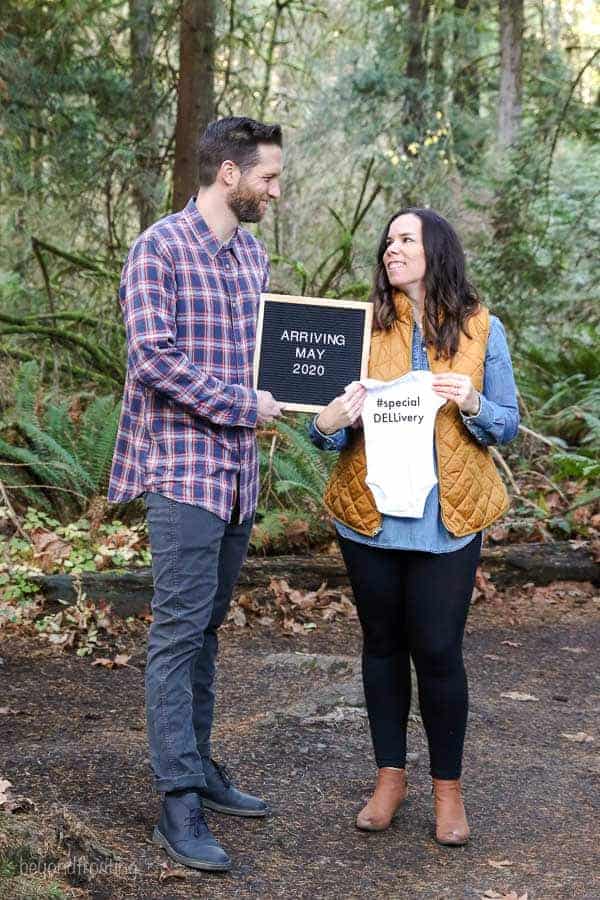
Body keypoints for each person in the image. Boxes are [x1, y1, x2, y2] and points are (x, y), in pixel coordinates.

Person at [309, 207, 519, 846]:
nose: (392, 249)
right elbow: (319, 431)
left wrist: (473, 402)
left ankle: (447, 793)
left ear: (437, 250)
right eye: (388, 241)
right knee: (380, 646)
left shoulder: (483, 328)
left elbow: (506, 422)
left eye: (406, 239)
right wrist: (330, 421)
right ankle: (389, 779)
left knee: (437, 651)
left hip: (446, 520)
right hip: (368, 518)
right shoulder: (361, 328)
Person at [107, 116, 284, 872]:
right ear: (229, 176)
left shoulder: (253, 257)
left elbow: (266, 359)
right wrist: (247, 406)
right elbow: (152, 358)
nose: (276, 190)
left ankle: (202, 767)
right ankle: (176, 800)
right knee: (177, 635)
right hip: (181, 472)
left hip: (238, 476)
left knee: (208, 628)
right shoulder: (159, 248)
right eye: (269, 177)